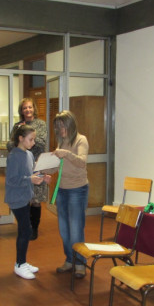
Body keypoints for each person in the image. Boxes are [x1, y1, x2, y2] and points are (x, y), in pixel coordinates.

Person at [5, 125, 50, 279]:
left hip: (25, 197)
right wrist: (30, 179)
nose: (33, 142)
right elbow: (12, 180)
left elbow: (32, 173)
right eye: (31, 139)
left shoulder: (29, 154)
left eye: (34, 139)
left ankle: (22, 262)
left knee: (25, 230)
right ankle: (19, 264)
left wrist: (42, 177)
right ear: (21, 138)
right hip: (16, 198)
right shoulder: (13, 156)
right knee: (26, 230)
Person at [49, 111, 89, 279]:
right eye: (58, 127)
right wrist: (44, 169)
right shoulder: (61, 142)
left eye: (63, 126)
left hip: (77, 190)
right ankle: (69, 260)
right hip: (62, 190)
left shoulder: (81, 140)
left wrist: (66, 153)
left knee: (75, 228)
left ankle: (80, 263)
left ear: (71, 125)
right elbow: (58, 166)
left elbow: (82, 162)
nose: (61, 129)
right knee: (64, 229)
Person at [7, 98, 48, 240]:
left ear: (34, 108)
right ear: (21, 110)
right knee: (25, 199)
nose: (28, 110)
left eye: (30, 107)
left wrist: (28, 136)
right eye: (25, 108)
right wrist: (20, 137)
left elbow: (41, 144)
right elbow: (10, 144)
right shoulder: (17, 126)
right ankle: (26, 226)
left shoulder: (41, 124)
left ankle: (34, 228)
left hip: (37, 165)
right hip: (22, 166)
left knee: (36, 199)